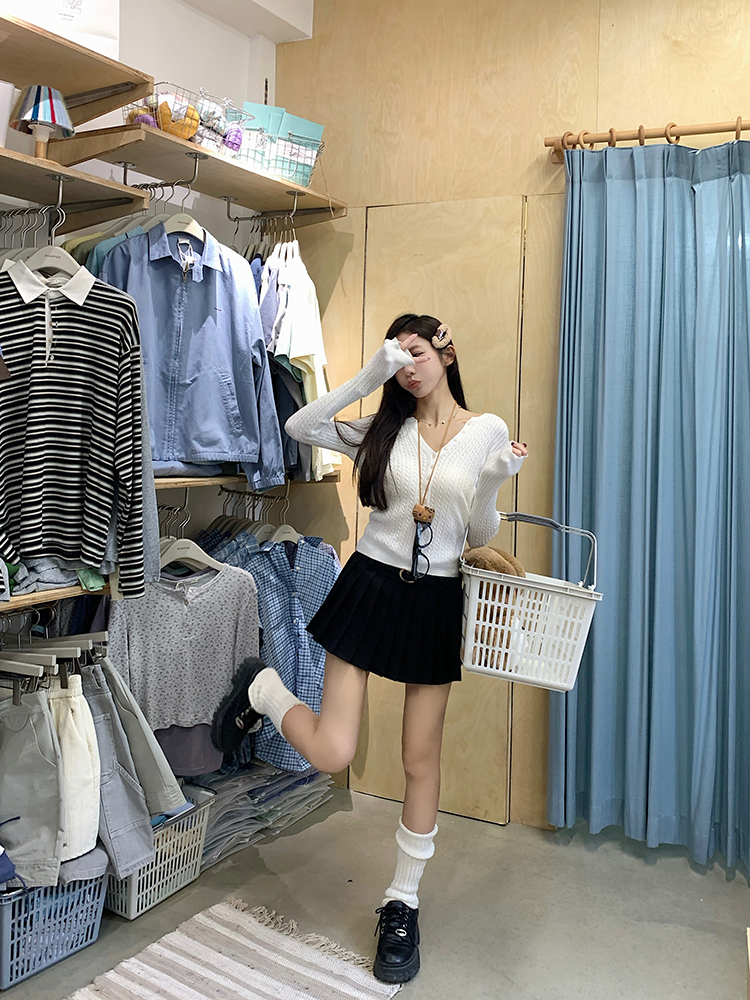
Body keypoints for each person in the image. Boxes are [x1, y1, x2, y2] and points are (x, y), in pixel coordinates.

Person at [213, 314, 528, 984]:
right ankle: (265, 690)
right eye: (397, 356)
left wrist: (496, 478)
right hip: (370, 586)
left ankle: (402, 903)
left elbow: (476, 531)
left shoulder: (487, 430)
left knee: (419, 758)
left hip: (435, 599)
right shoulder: (382, 429)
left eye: (415, 351)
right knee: (333, 752)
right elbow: (300, 426)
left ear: (447, 351)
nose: (407, 365)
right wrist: (369, 375)